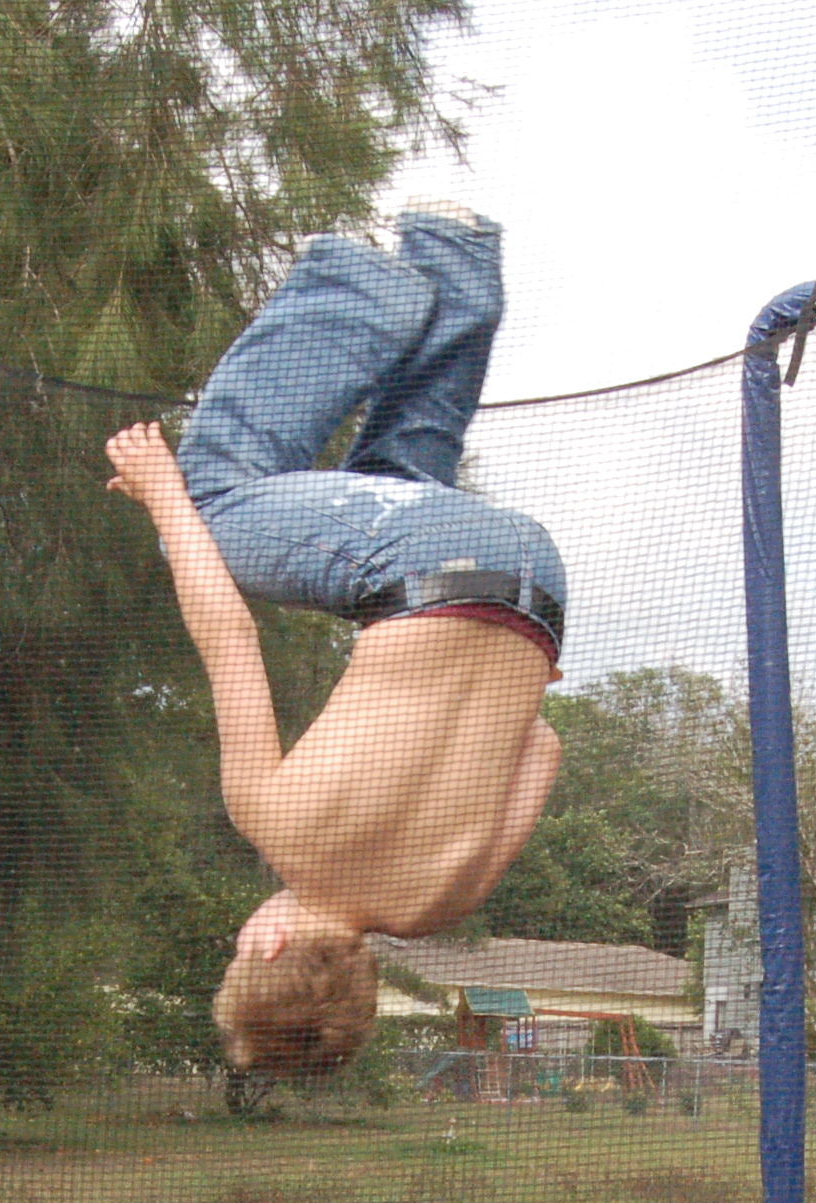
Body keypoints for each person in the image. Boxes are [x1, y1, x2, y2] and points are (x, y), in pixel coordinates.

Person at [103, 203, 564, 1077]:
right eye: (238, 951)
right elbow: (229, 635)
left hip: (533, 586)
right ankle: (352, 289)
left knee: (393, 481)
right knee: (203, 507)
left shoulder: (435, 906)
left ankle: (458, 264)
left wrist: (502, 664)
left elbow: (541, 745)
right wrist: (163, 496)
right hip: (418, 566)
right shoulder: (271, 822)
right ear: (268, 946)